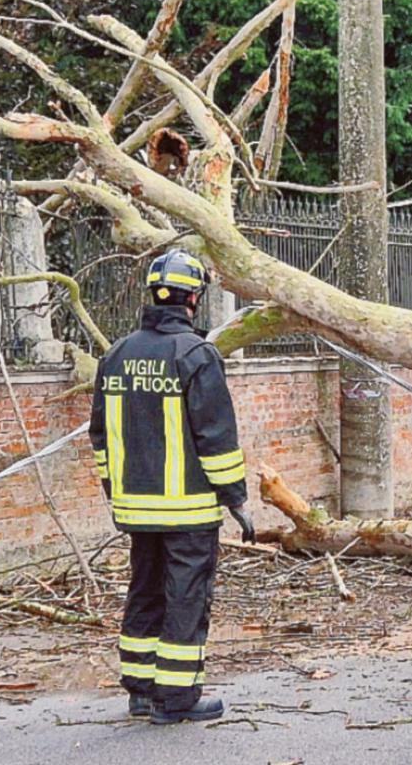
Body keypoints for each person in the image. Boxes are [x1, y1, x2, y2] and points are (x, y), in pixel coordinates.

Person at [90, 249, 255, 725]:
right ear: (194, 298)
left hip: (134, 507)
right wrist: (236, 499)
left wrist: (114, 489)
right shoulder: (195, 355)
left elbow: (100, 435)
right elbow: (216, 437)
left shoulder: (116, 354)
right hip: (188, 510)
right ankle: (177, 698)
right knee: (185, 597)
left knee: (145, 591)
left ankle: (141, 691)